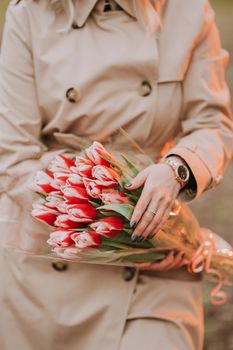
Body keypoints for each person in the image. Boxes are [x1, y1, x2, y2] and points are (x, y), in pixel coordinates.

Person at [0, 0, 232, 349]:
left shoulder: (189, 10)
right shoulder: (30, 14)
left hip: (154, 271)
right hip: (53, 258)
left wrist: (176, 169)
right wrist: (120, 229)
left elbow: (212, 124)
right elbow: (13, 158)